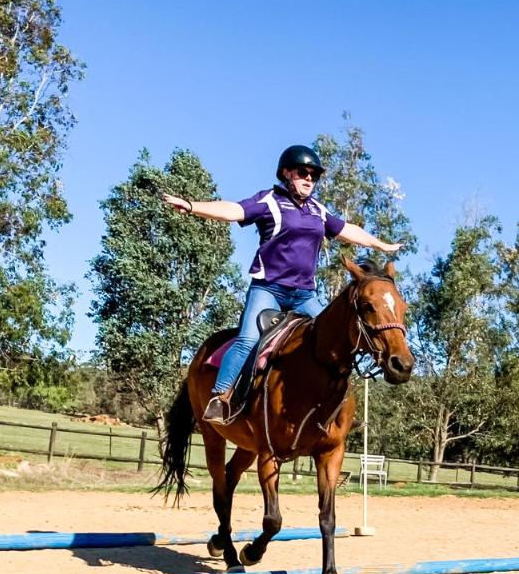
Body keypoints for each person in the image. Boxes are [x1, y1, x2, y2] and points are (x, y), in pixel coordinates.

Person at [162, 144, 403, 423]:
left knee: (337, 338)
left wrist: (380, 244)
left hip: (304, 295)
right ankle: (221, 396)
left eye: (314, 175)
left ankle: (330, 407)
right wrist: (192, 207)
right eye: (303, 172)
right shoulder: (269, 201)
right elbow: (232, 210)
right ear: (286, 173)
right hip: (269, 290)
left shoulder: (317, 211)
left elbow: (348, 230)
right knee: (248, 340)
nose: (309, 178)